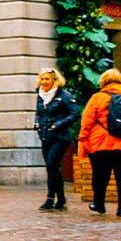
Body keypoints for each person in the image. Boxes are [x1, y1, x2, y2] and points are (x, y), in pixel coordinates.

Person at [79, 67, 121, 217]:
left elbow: (87, 121)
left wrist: (83, 140)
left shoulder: (98, 98)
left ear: (103, 82)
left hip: (102, 144)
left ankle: (99, 204)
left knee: (100, 175)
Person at [34, 68, 78, 212]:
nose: (44, 82)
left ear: (54, 80)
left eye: (47, 79)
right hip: (46, 135)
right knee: (52, 167)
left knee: (52, 164)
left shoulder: (64, 96)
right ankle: (61, 197)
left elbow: (74, 113)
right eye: (42, 79)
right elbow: (39, 113)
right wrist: (37, 123)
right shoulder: (40, 95)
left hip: (60, 136)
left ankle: (50, 197)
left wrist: (57, 124)